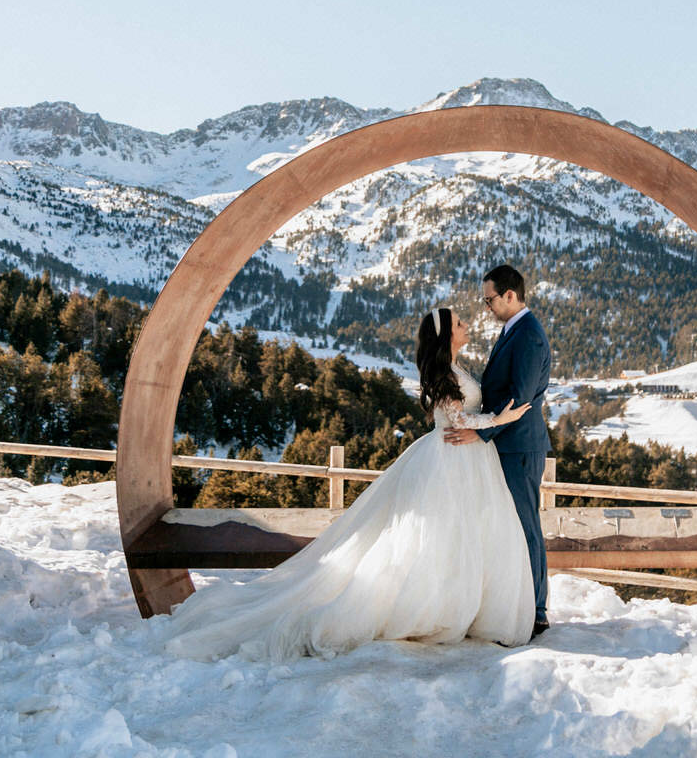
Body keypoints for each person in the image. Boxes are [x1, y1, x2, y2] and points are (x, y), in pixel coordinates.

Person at [162, 307, 534, 662]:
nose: (465, 325)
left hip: (464, 459)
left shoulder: (453, 368)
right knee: (438, 536)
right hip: (452, 458)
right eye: (458, 322)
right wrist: (503, 418)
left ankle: (460, 604)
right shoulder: (445, 374)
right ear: (445, 335)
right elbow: (456, 420)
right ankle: (433, 608)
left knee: (462, 536)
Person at [443, 263, 553, 638]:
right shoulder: (514, 330)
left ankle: (536, 611)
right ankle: (514, 603)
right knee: (508, 527)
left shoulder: (527, 335)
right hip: (508, 444)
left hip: (518, 446)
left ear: (510, 295)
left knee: (525, 528)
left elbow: (519, 398)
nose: (485, 306)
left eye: (489, 299)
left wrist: (483, 435)